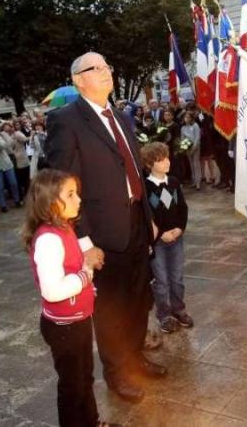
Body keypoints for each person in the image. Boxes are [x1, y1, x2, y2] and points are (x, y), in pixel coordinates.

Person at [46, 52, 165, 404]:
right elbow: (63, 184)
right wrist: (82, 240)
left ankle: (136, 358)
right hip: (100, 232)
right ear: (78, 80)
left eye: (108, 66)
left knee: (139, 297)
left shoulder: (121, 116)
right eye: (96, 68)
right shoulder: (66, 121)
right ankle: (117, 373)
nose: (106, 72)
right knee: (112, 307)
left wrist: (149, 217)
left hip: (136, 223)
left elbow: (134, 173)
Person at [22, 169, 105, 427]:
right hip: (63, 327)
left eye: (77, 193)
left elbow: (78, 257)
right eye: (70, 194)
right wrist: (87, 273)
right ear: (50, 202)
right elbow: (53, 290)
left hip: (77, 321)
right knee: (72, 387)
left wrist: (88, 256)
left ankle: (91, 422)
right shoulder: (48, 239)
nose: (79, 199)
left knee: (85, 378)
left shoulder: (65, 227)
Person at [140, 142, 192, 334]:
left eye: (167, 157)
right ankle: (164, 315)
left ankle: (179, 310)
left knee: (177, 278)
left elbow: (182, 208)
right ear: (149, 164)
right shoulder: (145, 188)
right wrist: (161, 234)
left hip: (177, 238)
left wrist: (180, 228)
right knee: (161, 281)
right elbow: (148, 216)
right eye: (160, 160)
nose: (166, 162)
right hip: (158, 242)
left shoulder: (174, 182)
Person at [4, 123, 31, 197]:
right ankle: (19, 197)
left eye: (10, 126)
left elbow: (24, 139)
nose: (9, 128)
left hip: (22, 160)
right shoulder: (4, 136)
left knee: (26, 179)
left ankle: (28, 194)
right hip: (12, 161)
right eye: (6, 127)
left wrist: (17, 134)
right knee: (16, 181)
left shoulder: (17, 134)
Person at [179, 112, 202, 190]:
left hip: (195, 147)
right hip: (187, 148)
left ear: (191, 118)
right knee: (191, 164)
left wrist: (193, 148)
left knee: (196, 164)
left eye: (188, 117)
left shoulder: (195, 125)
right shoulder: (183, 128)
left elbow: (197, 138)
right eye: (185, 117)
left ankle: (198, 182)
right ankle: (194, 181)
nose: (186, 119)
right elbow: (182, 138)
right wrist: (184, 147)